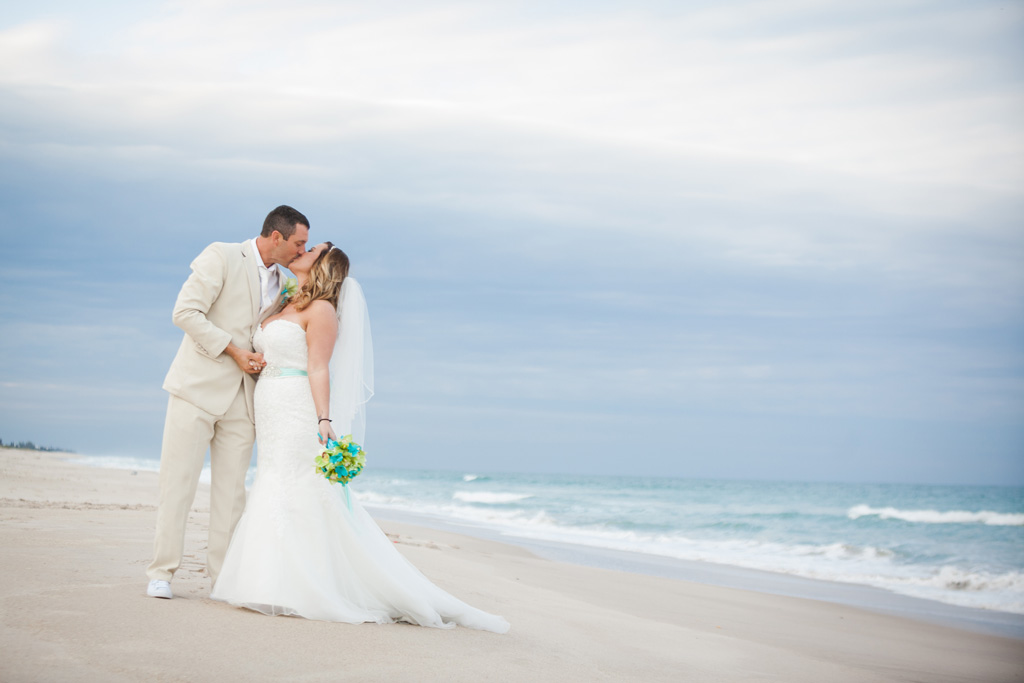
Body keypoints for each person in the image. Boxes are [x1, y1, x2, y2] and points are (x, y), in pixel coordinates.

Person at [210, 243, 510, 633]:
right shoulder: (284, 301)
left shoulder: (322, 311)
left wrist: (323, 418)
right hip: (269, 403)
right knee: (273, 481)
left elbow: (318, 367)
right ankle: (268, 579)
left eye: (311, 249)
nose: (303, 249)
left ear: (322, 265)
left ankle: (304, 585)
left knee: (299, 487)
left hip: (298, 407)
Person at [146, 206, 310, 599]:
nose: (301, 251)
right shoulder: (221, 255)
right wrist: (235, 351)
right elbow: (185, 313)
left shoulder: (286, 282)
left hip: (244, 399)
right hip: (197, 388)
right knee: (177, 485)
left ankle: (222, 579)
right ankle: (162, 573)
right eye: (298, 243)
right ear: (276, 236)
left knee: (231, 493)